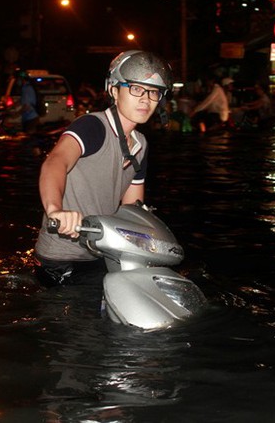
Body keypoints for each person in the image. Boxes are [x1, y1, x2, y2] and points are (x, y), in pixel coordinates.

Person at [34, 50, 172, 287]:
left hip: (100, 252)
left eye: (153, 92)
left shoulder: (140, 144)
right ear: (114, 91)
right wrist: (56, 210)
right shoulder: (93, 126)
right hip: (60, 257)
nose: (146, 99)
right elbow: (55, 162)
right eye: (136, 88)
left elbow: (131, 210)